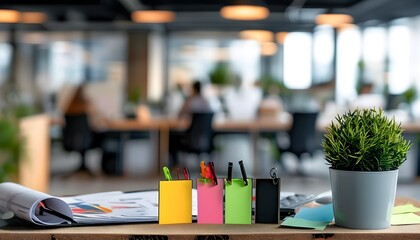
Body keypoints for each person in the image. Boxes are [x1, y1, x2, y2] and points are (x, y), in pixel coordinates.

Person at [169, 81, 212, 167]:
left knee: (171, 136)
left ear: (193, 89)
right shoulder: (206, 102)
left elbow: (180, 114)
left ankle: (175, 163)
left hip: (190, 137)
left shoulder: (189, 101)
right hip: (204, 139)